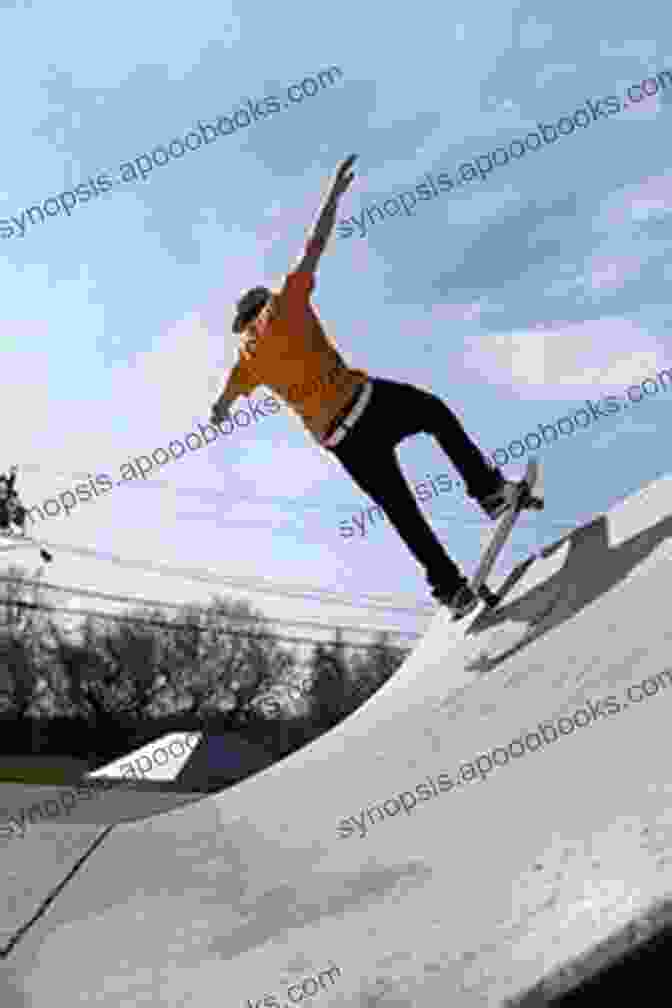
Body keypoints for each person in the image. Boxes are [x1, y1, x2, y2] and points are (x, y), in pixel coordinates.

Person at [210, 155, 520, 619]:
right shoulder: (285, 304)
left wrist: (221, 410)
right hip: (367, 404)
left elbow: (224, 400)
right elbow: (314, 244)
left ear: (243, 325)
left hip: (342, 442)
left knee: (400, 509)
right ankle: (489, 492)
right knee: (435, 412)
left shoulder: (246, 360)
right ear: (265, 302)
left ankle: (450, 588)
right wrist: (333, 194)